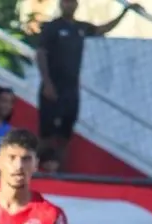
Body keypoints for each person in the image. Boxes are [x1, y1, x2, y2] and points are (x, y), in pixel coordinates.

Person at [35, 0, 138, 164]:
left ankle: (60, 172)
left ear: (76, 5)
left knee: (65, 136)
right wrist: (47, 83)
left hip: (71, 90)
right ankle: (35, 169)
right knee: (46, 135)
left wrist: (125, 12)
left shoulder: (80, 28)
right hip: (53, 87)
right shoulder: (51, 27)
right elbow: (41, 53)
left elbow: (103, 29)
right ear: (60, 4)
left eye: (72, 2)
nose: (69, 5)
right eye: (66, 2)